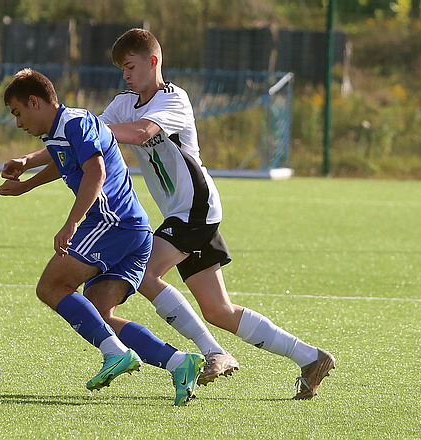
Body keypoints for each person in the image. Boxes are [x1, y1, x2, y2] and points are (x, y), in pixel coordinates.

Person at [97, 28, 336, 399]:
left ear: (153, 61)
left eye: (130, 66)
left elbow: (142, 132)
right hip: (184, 213)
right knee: (218, 310)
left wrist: (95, 129)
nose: (125, 75)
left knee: (144, 273)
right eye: (122, 69)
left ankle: (214, 352)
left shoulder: (173, 99)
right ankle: (311, 358)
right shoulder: (122, 104)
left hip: (194, 209)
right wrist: (34, 161)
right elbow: (90, 137)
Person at [0, 68, 205, 406]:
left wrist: (71, 224)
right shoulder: (61, 130)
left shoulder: (77, 123)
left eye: (18, 113)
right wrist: (27, 181)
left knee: (51, 286)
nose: (18, 123)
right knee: (98, 313)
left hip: (113, 222)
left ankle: (115, 353)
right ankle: (179, 362)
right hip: (133, 229)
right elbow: (66, 162)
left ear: (35, 102)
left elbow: (96, 170)